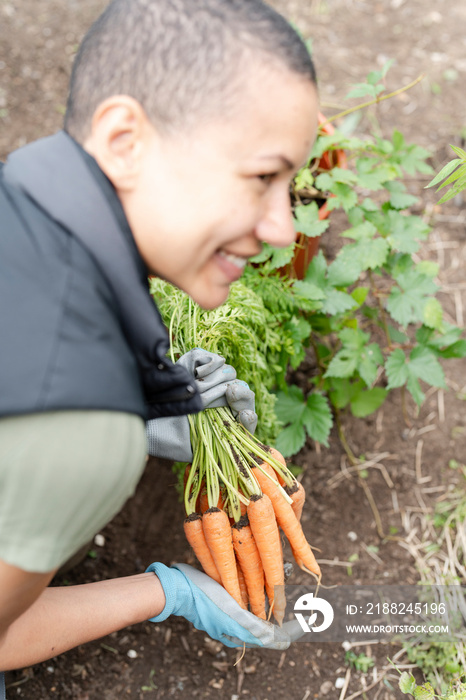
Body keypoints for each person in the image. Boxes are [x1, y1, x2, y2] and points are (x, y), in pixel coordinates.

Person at [0, 0, 319, 683]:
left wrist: (138, 407)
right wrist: (169, 592)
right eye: (264, 177)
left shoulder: (18, 193)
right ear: (124, 140)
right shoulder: (82, 438)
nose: (284, 229)